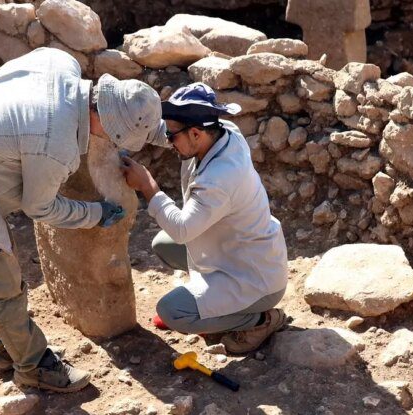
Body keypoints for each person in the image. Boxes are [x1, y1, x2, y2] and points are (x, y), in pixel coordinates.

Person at [0, 47, 163, 392]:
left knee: (3, 273)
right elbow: (41, 209)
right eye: (115, 138)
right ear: (104, 120)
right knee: (0, 281)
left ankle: (7, 346)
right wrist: (95, 215)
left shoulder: (61, 64)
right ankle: (32, 366)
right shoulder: (55, 144)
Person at [121, 82, 289, 354]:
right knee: (162, 244)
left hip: (255, 280)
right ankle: (212, 309)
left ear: (196, 133)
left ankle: (262, 319)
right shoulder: (222, 133)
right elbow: (166, 133)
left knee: (172, 312)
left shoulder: (220, 177)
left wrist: (148, 187)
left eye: (173, 135)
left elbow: (183, 230)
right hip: (234, 254)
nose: (168, 140)